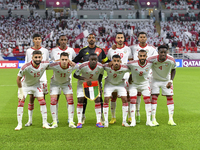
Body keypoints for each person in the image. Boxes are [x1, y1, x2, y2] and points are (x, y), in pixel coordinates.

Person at [73, 33, 109, 124]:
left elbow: (106, 61)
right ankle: (82, 116)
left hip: (96, 76)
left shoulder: (100, 50)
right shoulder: (83, 50)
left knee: (99, 98)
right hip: (86, 77)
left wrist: (113, 63)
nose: (91, 39)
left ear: (95, 39)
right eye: (90, 38)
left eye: (93, 37)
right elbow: (75, 61)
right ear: (87, 40)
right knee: (83, 98)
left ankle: (100, 117)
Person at [15, 50, 51, 130]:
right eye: (36, 57)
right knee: (21, 103)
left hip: (36, 85)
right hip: (25, 86)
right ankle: (19, 124)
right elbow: (18, 79)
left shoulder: (44, 64)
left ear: (42, 57)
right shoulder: (25, 67)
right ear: (32, 58)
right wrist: (21, 91)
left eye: (39, 57)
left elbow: (55, 63)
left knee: (42, 102)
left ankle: (45, 123)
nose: (38, 59)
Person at [130, 31, 157, 123]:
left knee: (147, 96)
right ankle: (137, 114)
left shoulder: (152, 48)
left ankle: (151, 118)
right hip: (136, 74)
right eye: (140, 37)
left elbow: (155, 61)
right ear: (138, 38)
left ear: (146, 38)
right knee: (136, 95)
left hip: (147, 75)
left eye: (143, 37)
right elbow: (129, 59)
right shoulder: (133, 48)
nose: (142, 38)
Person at [24, 33, 49, 127]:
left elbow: (46, 63)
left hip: (42, 78)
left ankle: (45, 120)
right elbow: (26, 64)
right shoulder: (29, 51)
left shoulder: (45, 51)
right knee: (31, 98)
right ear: (33, 40)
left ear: (41, 40)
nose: (37, 40)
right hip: (31, 79)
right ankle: (29, 120)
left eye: (39, 38)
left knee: (43, 98)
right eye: (36, 39)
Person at [107, 32, 132, 124]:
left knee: (127, 96)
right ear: (116, 39)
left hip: (125, 76)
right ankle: (113, 117)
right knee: (113, 96)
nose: (120, 39)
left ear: (124, 39)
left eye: (122, 37)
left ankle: (129, 116)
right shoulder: (111, 50)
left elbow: (131, 60)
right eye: (118, 37)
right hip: (114, 76)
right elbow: (108, 61)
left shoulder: (128, 49)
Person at [148, 45, 176, 126]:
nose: (163, 54)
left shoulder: (171, 60)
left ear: (167, 52)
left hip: (166, 81)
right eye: (161, 52)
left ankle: (171, 119)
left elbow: (173, 69)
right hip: (155, 80)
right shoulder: (151, 59)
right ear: (158, 52)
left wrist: (171, 81)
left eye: (165, 52)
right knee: (154, 97)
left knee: (170, 97)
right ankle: (153, 119)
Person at [73, 53, 104, 128]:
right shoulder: (82, 66)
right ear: (89, 60)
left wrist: (99, 86)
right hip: (83, 84)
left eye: (95, 60)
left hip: (94, 84)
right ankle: (79, 121)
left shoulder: (100, 66)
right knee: (80, 100)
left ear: (97, 60)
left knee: (98, 99)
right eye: (92, 59)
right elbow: (75, 75)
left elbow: (100, 76)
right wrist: (84, 78)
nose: (93, 61)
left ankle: (98, 121)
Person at [51, 35, 76, 123]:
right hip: (57, 77)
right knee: (55, 98)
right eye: (61, 40)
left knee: (69, 98)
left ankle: (70, 119)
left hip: (67, 78)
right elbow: (51, 62)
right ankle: (55, 119)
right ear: (59, 41)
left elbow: (74, 62)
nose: (63, 41)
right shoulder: (54, 50)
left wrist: (71, 62)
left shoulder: (71, 50)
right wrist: (60, 61)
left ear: (67, 41)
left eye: (65, 40)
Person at [48, 52, 77, 128]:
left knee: (70, 101)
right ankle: (54, 121)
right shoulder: (54, 65)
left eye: (66, 59)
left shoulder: (72, 66)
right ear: (60, 60)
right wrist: (55, 61)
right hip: (55, 84)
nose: (64, 61)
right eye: (62, 59)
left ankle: (71, 121)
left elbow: (82, 66)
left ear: (68, 60)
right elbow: (44, 64)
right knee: (53, 101)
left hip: (66, 84)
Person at [127, 49, 155, 127]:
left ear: (146, 56)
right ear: (138, 56)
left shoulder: (150, 63)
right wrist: (130, 76)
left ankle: (148, 121)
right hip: (134, 84)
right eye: (141, 56)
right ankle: (133, 121)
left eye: (144, 56)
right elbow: (123, 67)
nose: (142, 57)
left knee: (147, 101)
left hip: (145, 84)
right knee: (132, 101)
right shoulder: (132, 63)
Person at [103, 55, 130, 127]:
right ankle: (106, 121)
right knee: (106, 99)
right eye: (114, 61)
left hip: (120, 85)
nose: (116, 62)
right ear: (112, 61)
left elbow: (134, 69)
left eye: (118, 61)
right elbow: (99, 66)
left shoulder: (124, 68)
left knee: (125, 99)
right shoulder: (107, 66)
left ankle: (124, 121)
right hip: (109, 85)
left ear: (120, 61)